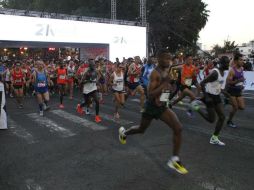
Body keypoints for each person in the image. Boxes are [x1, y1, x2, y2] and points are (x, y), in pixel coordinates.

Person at [118, 49, 188, 175]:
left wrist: (171, 85)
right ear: (159, 59)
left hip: (162, 105)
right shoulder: (154, 74)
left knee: (178, 128)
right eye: (165, 58)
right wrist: (165, 83)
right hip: (151, 106)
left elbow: (171, 88)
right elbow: (150, 95)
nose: (168, 60)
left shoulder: (168, 70)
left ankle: (174, 159)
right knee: (141, 129)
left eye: (169, 58)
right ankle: (124, 133)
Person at [196, 56, 230, 146]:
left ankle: (214, 138)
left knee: (222, 117)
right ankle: (196, 107)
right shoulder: (215, 73)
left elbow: (218, 85)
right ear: (221, 63)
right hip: (210, 96)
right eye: (226, 63)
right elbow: (202, 83)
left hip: (217, 96)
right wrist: (206, 97)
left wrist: (226, 94)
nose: (228, 64)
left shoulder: (223, 72)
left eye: (228, 62)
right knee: (211, 120)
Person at [226, 53, 245, 128]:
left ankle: (228, 101)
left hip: (238, 90)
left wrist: (241, 84)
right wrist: (239, 80)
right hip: (232, 91)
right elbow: (228, 82)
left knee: (242, 107)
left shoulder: (242, 69)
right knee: (235, 108)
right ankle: (229, 121)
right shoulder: (232, 70)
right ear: (236, 61)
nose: (242, 61)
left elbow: (241, 78)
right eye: (241, 60)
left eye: (243, 60)